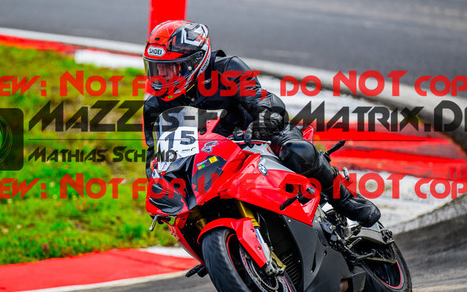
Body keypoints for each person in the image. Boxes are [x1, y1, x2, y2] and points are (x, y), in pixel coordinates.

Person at [142, 20, 380, 227]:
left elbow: (261, 98)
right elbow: (155, 155)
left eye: (170, 69)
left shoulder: (227, 68)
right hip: (209, 155)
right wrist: (160, 186)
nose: (161, 77)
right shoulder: (155, 106)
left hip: (254, 135)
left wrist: (265, 120)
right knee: (183, 212)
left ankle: (346, 200)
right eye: (156, 68)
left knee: (296, 150)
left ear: (195, 62)